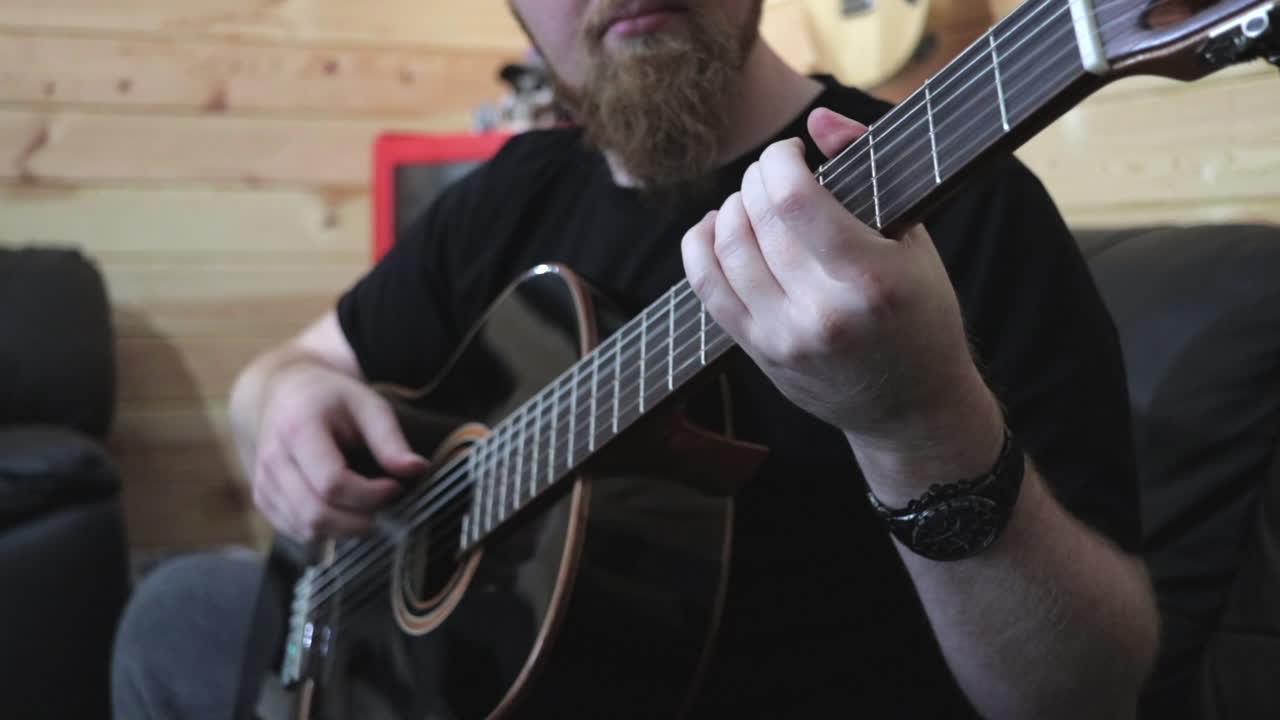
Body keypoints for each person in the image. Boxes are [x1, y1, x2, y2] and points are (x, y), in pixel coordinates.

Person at [112, 1, 1160, 717]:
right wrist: (287, 401)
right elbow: (285, 372)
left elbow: (1089, 691)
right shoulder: (507, 195)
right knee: (177, 610)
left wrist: (916, 418)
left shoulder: (950, 193)